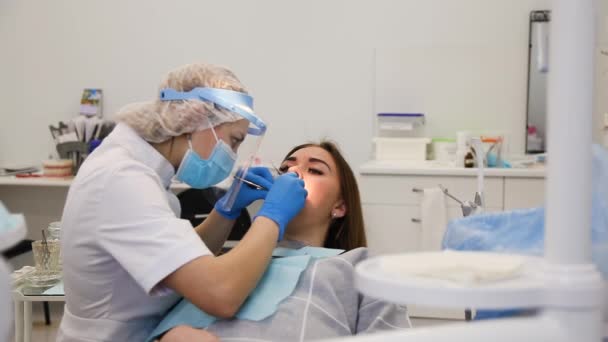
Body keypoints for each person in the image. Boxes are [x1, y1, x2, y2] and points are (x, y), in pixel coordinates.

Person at [57, 63, 308, 342]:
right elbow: (221, 294)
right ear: (194, 120)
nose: (233, 156)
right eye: (234, 141)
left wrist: (226, 211)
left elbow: (180, 260)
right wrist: (272, 215)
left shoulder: (139, 170)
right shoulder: (122, 180)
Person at [157, 141, 411, 342]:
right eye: (285, 169)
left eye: (314, 170)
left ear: (340, 206)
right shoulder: (221, 267)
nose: (293, 173)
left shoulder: (361, 268)